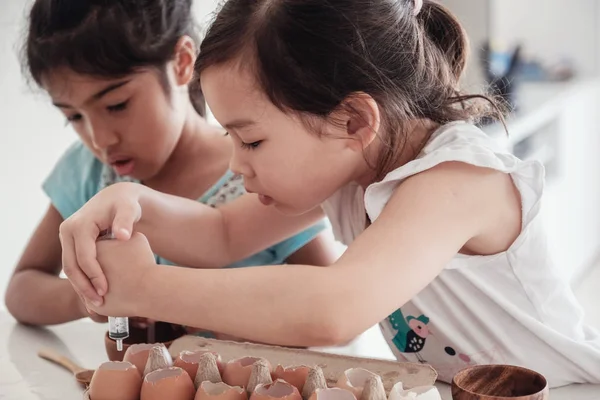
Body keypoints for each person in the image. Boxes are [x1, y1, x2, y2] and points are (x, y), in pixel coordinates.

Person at [58, 0, 600, 387]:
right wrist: (133, 202)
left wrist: (147, 287)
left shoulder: (457, 180)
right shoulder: (349, 166)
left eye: (251, 138)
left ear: (352, 119)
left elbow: (332, 308)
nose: (235, 163)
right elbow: (221, 233)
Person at [5, 0, 338, 336]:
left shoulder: (262, 174)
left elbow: (329, 312)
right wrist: (90, 297)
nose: (100, 138)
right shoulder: (87, 172)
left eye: (117, 105)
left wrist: (177, 303)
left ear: (181, 62)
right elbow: (20, 290)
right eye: (73, 117)